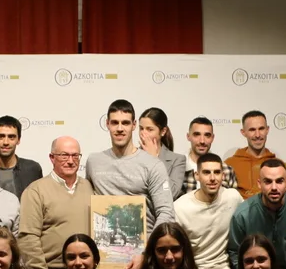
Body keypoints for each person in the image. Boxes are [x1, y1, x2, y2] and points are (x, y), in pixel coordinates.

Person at [86, 99, 175, 237]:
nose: (120, 128)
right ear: (107, 124)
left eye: (125, 123)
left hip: (144, 246)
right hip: (102, 247)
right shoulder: (94, 161)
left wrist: (150, 247)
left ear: (134, 125)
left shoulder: (153, 165)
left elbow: (166, 213)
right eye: (114, 122)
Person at [18, 136, 94, 269]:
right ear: (52, 158)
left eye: (75, 155)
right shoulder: (35, 191)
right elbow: (28, 238)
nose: (70, 161)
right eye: (64, 155)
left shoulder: (89, 187)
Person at [228, 159, 286, 269]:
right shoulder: (243, 214)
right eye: (268, 181)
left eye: (279, 181)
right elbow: (235, 253)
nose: (274, 187)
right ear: (259, 184)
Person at [173, 153, 242, 269]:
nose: (212, 178)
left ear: (223, 175)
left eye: (217, 172)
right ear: (196, 175)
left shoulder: (233, 198)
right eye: (206, 172)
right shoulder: (180, 208)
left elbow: (254, 213)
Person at [137, 107, 187, 200]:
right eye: (141, 128)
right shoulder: (132, 156)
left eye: (149, 129)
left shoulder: (177, 160)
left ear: (163, 131)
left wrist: (155, 160)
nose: (143, 134)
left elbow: (172, 193)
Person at [225, 110, 276, 200]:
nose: (257, 135)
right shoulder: (230, 164)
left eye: (261, 129)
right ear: (243, 132)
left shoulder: (277, 164)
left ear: (267, 130)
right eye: (252, 130)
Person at [181, 117, 238, 194]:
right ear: (188, 136)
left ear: (212, 138)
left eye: (207, 135)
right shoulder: (178, 169)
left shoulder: (226, 170)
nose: (202, 141)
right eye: (197, 134)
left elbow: (234, 200)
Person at [0, 115, 43, 199]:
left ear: (18, 140)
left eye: (11, 137)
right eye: (1, 136)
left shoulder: (32, 169)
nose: (6, 142)